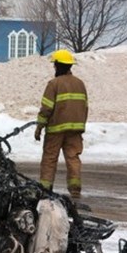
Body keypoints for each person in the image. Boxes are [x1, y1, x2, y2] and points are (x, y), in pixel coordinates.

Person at [34, 49, 88, 199]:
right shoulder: (80, 84)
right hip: (75, 130)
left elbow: (46, 108)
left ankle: (45, 188)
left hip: (56, 129)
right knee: (73, 158)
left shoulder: (53, 84)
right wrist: (80, 125)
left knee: (50, 158)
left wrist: (39, 126)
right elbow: (85, 106)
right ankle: (75, 188)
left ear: (57, 66)